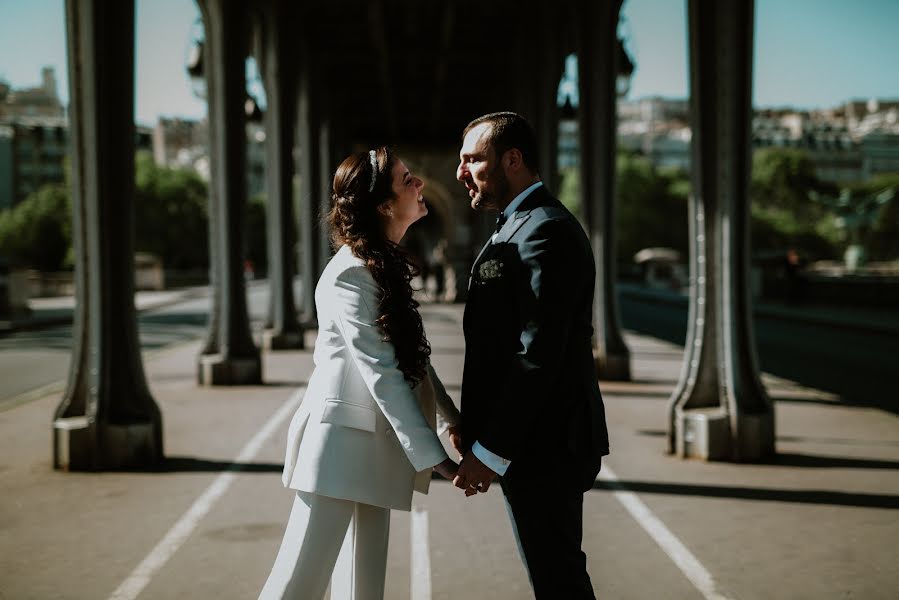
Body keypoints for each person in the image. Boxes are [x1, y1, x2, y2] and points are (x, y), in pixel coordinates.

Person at [260, 147, 463, 600]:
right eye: (408, 179)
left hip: (374, 448)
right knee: (296, 585)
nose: (420, 184)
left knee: (363, 589)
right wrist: (435, 456)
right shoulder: (351, 274)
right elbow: (382, 371)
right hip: (338, 450)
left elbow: (414, 359)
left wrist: (451, 419)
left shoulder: (382, 264)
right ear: (385, 205)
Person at [453, 112, 609, 598]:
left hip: (547, 445)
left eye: (473, 159)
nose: (460, 172)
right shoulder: (519, 224)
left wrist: (491, 451)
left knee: (558, 579)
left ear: (512, 160)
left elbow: (536, 354)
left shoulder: (546, 231)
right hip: (536, 442)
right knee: (553, 575)